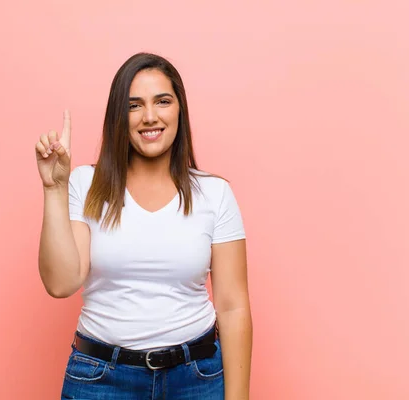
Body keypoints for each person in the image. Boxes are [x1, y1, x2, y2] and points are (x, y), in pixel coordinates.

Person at [35, 52, 252, 399]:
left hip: (195, 379)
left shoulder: (215, 193)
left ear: (179, 108)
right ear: (119, 117)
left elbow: (232, 306)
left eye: (162, 101)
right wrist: (54, 188)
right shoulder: (84, 184)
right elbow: (61, 283)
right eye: (134, 105)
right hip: (101, 380)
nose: (150, 117)